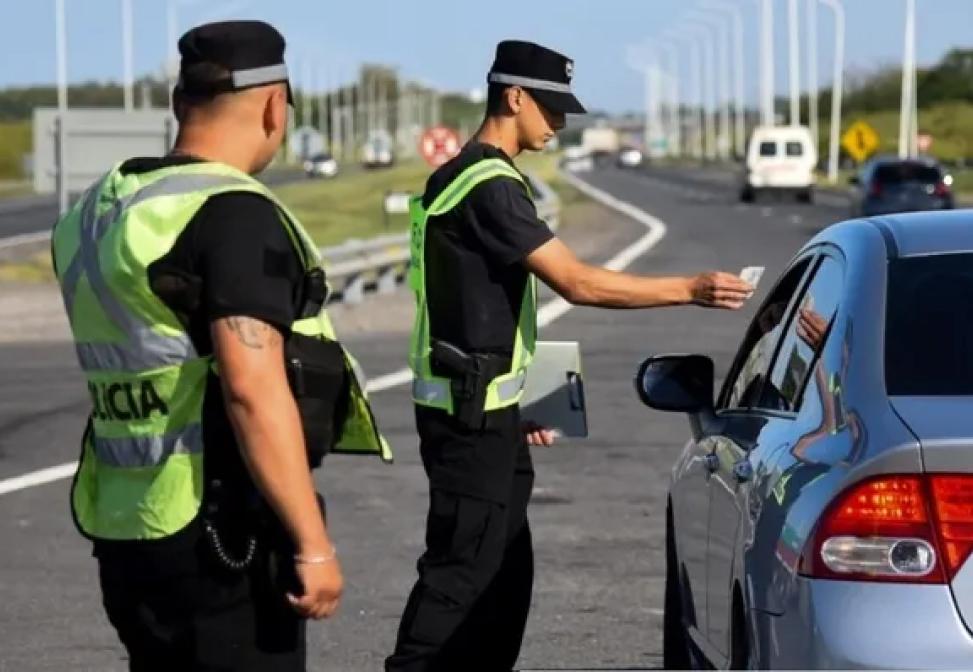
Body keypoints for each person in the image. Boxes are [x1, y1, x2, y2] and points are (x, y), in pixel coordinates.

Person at [386, 40, 754, 672]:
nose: (558, 124)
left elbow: (475, 303)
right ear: (515, 96)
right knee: (460, 580)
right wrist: (689, 290)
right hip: (470, 421)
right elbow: (576, 283)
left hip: (484, 408)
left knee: (502, 578)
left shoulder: (458, 177)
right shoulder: (490, 185)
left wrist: (521, 394)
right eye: (551, 109)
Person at [51, 20, 390, 672]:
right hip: (220, 528)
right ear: (273, 104)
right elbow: (250, 386)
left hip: (125, 521)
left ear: (180, 103)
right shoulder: (231, 211)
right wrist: (312, 544)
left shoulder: (95, 213)